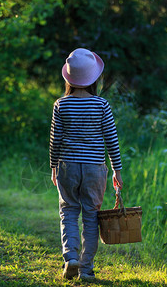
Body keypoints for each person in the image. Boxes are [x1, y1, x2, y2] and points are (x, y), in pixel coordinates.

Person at [49, 48, 123, 281]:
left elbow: (55, 140)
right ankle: (86, 269)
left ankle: (70, 257)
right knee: (91, 215)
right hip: (94, 168)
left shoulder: (61, 104)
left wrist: (53, 166)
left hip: (67, 166)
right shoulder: (102, 105)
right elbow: (111, 139)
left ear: (69, 77)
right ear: (93, 78)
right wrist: (116, 170)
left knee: (69, 211)